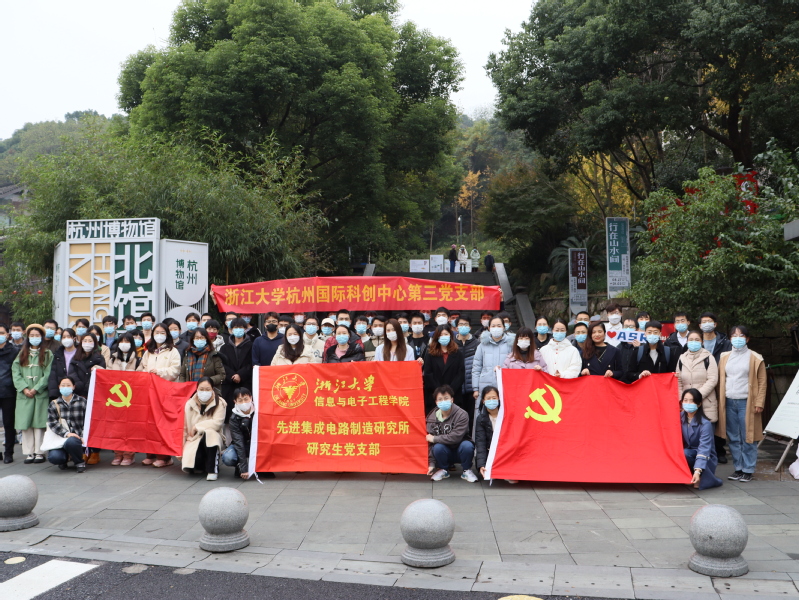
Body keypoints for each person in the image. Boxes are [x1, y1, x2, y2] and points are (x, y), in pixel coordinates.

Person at [717, 325, 766, 483]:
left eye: (741, 335)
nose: (737, 338)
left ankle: (748, 469)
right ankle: (738, 468)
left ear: (747, 338)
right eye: (734, 335)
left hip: (747, 402)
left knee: (748, 437)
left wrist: (759, 402)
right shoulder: (724, 356)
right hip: (728, 401)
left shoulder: (755, 357)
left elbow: (762, 382)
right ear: (730, 338)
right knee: (733, 437)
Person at [139, 323, 181, 468]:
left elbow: (175, 370)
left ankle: (164, 457)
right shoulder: (148, 352)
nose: (159, 335)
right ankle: (150, 454)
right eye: (156, 332)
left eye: (162, 332)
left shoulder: (173, 351)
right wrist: (146, 374)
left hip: (165, 392)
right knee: (149, 423)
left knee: (162, 424)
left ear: (167, 334)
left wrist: (160, 372)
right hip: (149, 391)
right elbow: (142, 367)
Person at [12, 324, 53, 464]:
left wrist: (36, 388)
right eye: (32, 335)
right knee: (26, 422)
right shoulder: (21, 353)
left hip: (40, 393)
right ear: (28, 337)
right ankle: (29, 452)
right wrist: (24, 388)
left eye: (37, 335)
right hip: (24, 394)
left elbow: (48, 373)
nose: (34, 338)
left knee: (39, 423)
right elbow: (15, 372)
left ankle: (40, 452)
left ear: (42, 337)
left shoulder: (47, 354)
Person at [425, 385, 476, 482]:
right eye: (440, 399)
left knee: (467, 446)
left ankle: (467, 470)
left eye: (446, 398)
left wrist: (435, 438)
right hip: (444, 451)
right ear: (436, 402)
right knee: (437, 447)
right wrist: (431, 464)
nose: (443, 401)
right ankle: (443, 469)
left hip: (460, 449)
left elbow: (455, 437)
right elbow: (430, 442)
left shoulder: (462, 414)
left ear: (452, 400)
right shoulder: (431, 418)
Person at [181, 377, 226, 481]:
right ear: (197, 389)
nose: (204, 392)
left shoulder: (220, 403)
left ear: (212, 389)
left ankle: (212, 470)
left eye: (207, 389)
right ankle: (201, 464)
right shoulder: (189, 404)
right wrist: (180, 448)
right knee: (194, 463)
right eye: (201, 389)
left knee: (210, 433)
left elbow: (217, 423)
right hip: (193, 439)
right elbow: (184, 427)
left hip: (213, 437)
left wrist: (197, 427)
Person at [221, 387, 270, 478]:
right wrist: (244, 469)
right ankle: (239, 466)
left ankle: (262, 468)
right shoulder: (233, 418)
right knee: (228, 457)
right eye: (240, 400)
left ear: (251, 398)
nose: (244, 402)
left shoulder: (258, 411)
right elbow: (238, 442)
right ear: (235, 401)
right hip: (242, 444)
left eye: (246, 399)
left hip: (259, 444)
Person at [681, 388, 723, 490]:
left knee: (686, 453)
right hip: (687, 452)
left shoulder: (705, 424)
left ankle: (698, 475)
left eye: (692, 401)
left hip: (704, 456)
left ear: (699, 404)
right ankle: (687, 474)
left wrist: (697, 471)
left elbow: (704, 448)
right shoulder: (679, 417)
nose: (688, 403)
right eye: (685, 400)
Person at [676, 330, 719, 428]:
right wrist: (683, 399)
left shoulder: (708, 357)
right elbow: (678, 381)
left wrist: (696, 397)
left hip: (706, 404)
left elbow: (712, 380)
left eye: (697, 340)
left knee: (706, 432)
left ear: (702, 342)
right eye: (691, 340)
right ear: (687, 341)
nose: (693, 342)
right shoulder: (681, 358)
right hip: (687, 405)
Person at [45, 376, 88, 473]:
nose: (65, 387)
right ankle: (64, 459)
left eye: (68, 385)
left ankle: (79, 462)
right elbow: (52, 423)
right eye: (63, 385)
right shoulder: (54, 404)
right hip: (60, 438)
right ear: (59, 387)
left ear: (73, 387)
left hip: (78, 438)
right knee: (54, 457)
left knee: (72, 441)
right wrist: (66, 434)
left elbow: (88, 420)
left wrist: (82, 435)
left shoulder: (82, 401)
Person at [474, 386, 516, 483]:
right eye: (488, 398)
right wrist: (481, 464)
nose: (491, 401)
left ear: (499, 399)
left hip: (506, 451)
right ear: (483, 401)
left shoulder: (507, 415)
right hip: (490, 453)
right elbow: (480, 443)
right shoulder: (481, 419)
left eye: (494, 398)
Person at [472, 316, 513, 410]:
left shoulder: (510, 345)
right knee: (483, 411)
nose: (496, 328)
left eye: (499, 325)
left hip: (505, 385)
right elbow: (476, 367)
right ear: (489, 328)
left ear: (504, 327)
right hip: (485, 384)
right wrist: (475, 388)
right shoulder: (482, 345)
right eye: (493, 326)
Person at [219, 318, 254, 422]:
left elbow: (251, 363)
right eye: (236, 327)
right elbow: (222, 364)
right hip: (229, 383)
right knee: (229, 413)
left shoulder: (252, 345)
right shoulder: (224, 347)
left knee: (246, 412)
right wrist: (232, 375)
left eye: (241, 327)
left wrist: (240, 375)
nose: (238, 330)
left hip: (245, 382)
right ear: (231, 329)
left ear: (245, 329)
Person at [0, 324, 20, 463]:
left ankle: (8, 452)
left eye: (2, 333)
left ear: (7, 335)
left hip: (8, 392)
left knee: (8, 423)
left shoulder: (14, 351)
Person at [456, 315, 479, 399]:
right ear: (456, 328)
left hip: (472, 388)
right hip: (457, 388)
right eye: (461, 324)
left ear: (470, 327)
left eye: (466, 324)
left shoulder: (477, 343)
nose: (463, 326)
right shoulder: (452, 344)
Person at [617, 317, 639, 383]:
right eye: (626, 326)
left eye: (631, 326)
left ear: (637, 329)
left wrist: (638, 348)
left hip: (636, 382)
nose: (628, 329)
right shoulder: (618, 347)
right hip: (621, 382)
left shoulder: (642, 347)